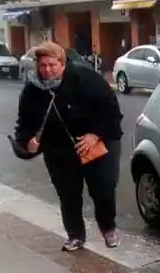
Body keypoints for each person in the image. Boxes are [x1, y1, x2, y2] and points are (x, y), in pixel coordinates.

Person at [15, 41, 123, 251]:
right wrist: (27, 142)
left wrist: (95, 134)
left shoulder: (86, 79)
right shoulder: (32, 90)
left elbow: (112, 112)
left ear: (63, 64)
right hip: (58, 150)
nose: (47, 70)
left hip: (94, 143)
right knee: (68, 194)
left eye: (52, 65)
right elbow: (24, 123)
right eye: (43, 65)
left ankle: (108, 228)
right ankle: (75, 235)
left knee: (103, 189)